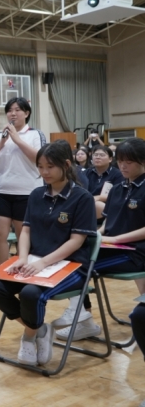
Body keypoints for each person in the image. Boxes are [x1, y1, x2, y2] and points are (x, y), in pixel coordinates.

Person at [0, 141, 96, 366]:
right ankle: (39, 329)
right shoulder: (36, 194)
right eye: (40, 167)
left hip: (72, 265)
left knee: (31, 293)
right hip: (35, 261)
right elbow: (25, 230)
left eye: (50, 167)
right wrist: (23, 258)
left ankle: (28, 336)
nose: (44, 172)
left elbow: (77, 241)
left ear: (66, 164)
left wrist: (43, 263)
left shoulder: (82, 198)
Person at [54, 138, 145, 341]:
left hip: (136, 253)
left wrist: (116, 239)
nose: (123, 166)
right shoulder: (118, 187)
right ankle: (82, 315)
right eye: (120, 161)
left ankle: (80, 316)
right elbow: (108, 222)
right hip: (113, 246)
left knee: (79, 264)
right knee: (70, 254)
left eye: (129, 162)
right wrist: (99, 235)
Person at [0, 97, 46, 267]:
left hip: (27, 192)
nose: (13, 113)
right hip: (1, 191)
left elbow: (39, 158)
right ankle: (2, 274)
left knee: (23, 237)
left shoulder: (35, 134)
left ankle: (25, 271)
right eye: (10, 110)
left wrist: (17, 139)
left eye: (17, 110)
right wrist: (3, 140)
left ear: (26, 113)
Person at [84, 146, 124, 218]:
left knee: (98, 205)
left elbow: (118, 194)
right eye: (95, 155)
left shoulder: (118, 174)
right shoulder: (86, 173)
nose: (98, 157)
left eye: (102, 155)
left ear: (110, 159)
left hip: (108, 206)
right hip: (87, 203)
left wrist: (97, 198)